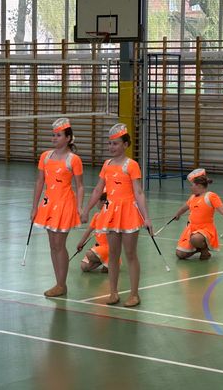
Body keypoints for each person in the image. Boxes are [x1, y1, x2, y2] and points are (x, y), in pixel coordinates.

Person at [81, 123, 152, 307]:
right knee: (113, 254)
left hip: (129, 212)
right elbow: (98, 190)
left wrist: (146, 217)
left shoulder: (132, 165)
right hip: (111, 212)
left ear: (125, 144)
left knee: (130, 254)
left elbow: (139, 192)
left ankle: (134, 294)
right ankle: (113, 293)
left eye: (115, 143)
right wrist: (87, 209)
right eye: (110, 143)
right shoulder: (106, 165)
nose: (111, 147)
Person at [31, 118, 84, 297]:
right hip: (48, 204)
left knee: (59, 244)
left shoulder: (74, 159)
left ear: (68, 138)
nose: (54, 138)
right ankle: (58, 283)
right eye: (53, 135)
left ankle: (62, 284)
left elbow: (80, 186)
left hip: (65, 204)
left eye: (58, 135)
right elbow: (39, 182)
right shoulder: (45, 156)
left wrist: (80, 207)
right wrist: (34, 207)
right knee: (53, 245)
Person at [173, 168, 223, 260]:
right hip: (191, 229)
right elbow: (184, 207)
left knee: (195, 239)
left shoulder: (211, 196)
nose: (190, 187)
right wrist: (178, 214)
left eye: (192, 185)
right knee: (180, 254)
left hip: (205, 229)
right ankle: (197, 248)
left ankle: (204, 250)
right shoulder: (192, 197)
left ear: (199, 186)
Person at [77, 192, 112, 273]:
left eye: (97, 201)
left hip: (109, 247)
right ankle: (106, 262)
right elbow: (88, 231)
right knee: (84, 267)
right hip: (99, 247)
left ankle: (111, 260)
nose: (96, 203)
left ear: (103, 202)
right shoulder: (96, 216)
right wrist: (81, 243)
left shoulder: (110, 215)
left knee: (89, 254)